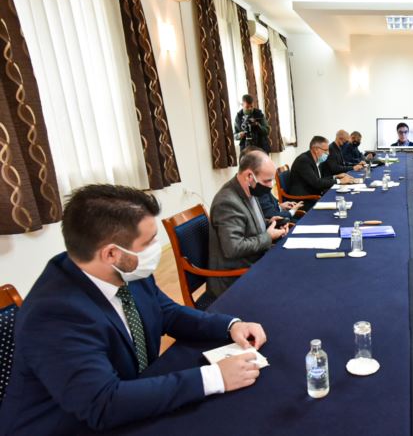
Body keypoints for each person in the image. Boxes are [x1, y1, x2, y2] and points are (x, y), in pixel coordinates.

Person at [0, 185, 268, 434]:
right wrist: (214, 377)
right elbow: (104, 403)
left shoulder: (124, 269)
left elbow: (166, 312)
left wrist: (229, 325)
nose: (156, 249)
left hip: (129, 395)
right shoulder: (54, 315)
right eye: (149, 242)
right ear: (111, 254)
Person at [208, 150, 288, 298]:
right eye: (267, 181)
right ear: (249, 176)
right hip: (234, 278)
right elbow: (233, 248)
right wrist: (268, 237)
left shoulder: (249, 189)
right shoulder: (227, 202)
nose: (271, 185)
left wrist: (271, 223)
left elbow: (248, 224)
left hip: (254, 261)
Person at [240, 146, 303, 221]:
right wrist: (292, 211)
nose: (271, 185)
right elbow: (269, 215)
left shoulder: (257, 184)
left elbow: (264, 214)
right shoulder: (257, 189)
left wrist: (280, 206)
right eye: (267, 180)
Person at [288, 136, 355, 199]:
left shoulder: (316, 160)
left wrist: (335, 177)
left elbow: (319, 179)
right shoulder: (303, 161)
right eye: (325, 150)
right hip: (305, 198)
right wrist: (340, 181)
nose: (328, 153)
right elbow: (316, 183)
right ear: (316, 150)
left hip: (314, 193)